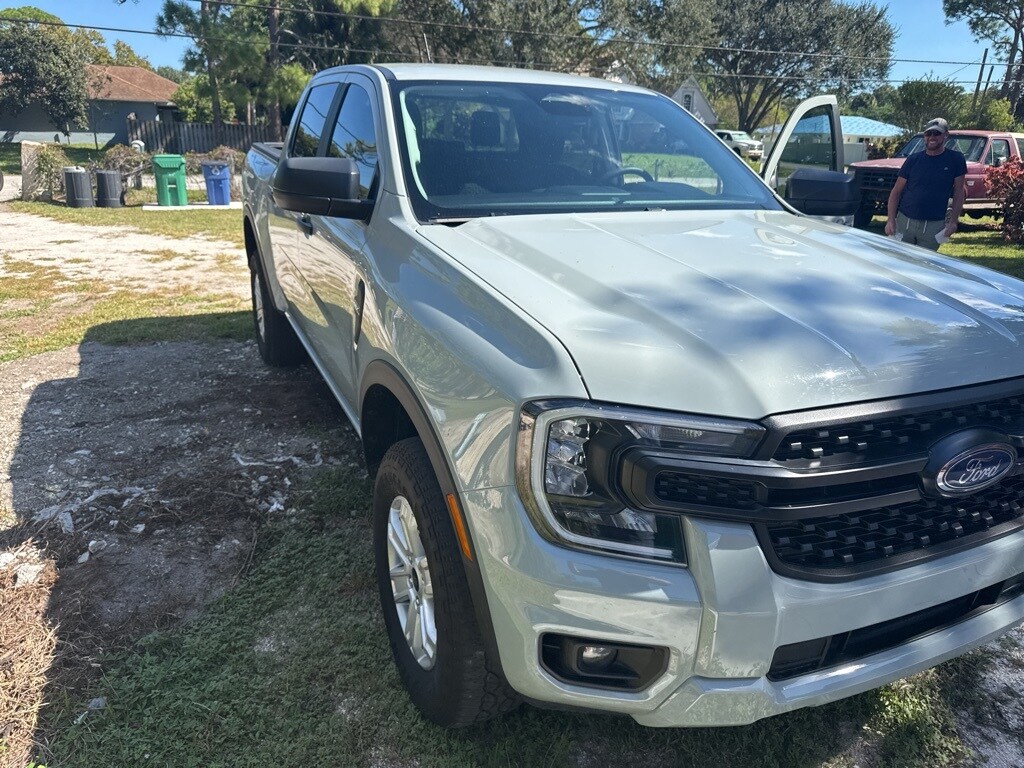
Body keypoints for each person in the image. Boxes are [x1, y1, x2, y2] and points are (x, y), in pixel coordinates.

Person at [884, 118, 966, 250]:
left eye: (936, 133)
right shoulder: (913, 159)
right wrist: (890, 219)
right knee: (899, 260)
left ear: (946, 135)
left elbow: (959, 192)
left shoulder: (956, 159)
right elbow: (896, 191)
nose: (932, 137)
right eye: (928, 134)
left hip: (934, 225)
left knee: (924, 265)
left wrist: (953, 222)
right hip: (905, 221)